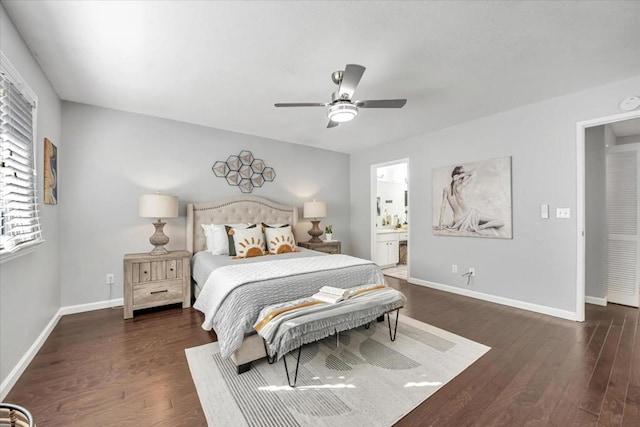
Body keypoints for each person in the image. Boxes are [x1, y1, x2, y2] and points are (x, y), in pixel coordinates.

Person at [436, 165, 504, 233]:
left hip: (458, 220)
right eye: (462, 178)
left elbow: (443, 207)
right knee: (500, 222)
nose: (462, 179)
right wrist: (461, 175)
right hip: (470, 216)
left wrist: (440, 224)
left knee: (495, 221)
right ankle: (481, 227)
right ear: (460, 177)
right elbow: (474, 173)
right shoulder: (460, 187)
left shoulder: (446, 189)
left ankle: (480, 226)